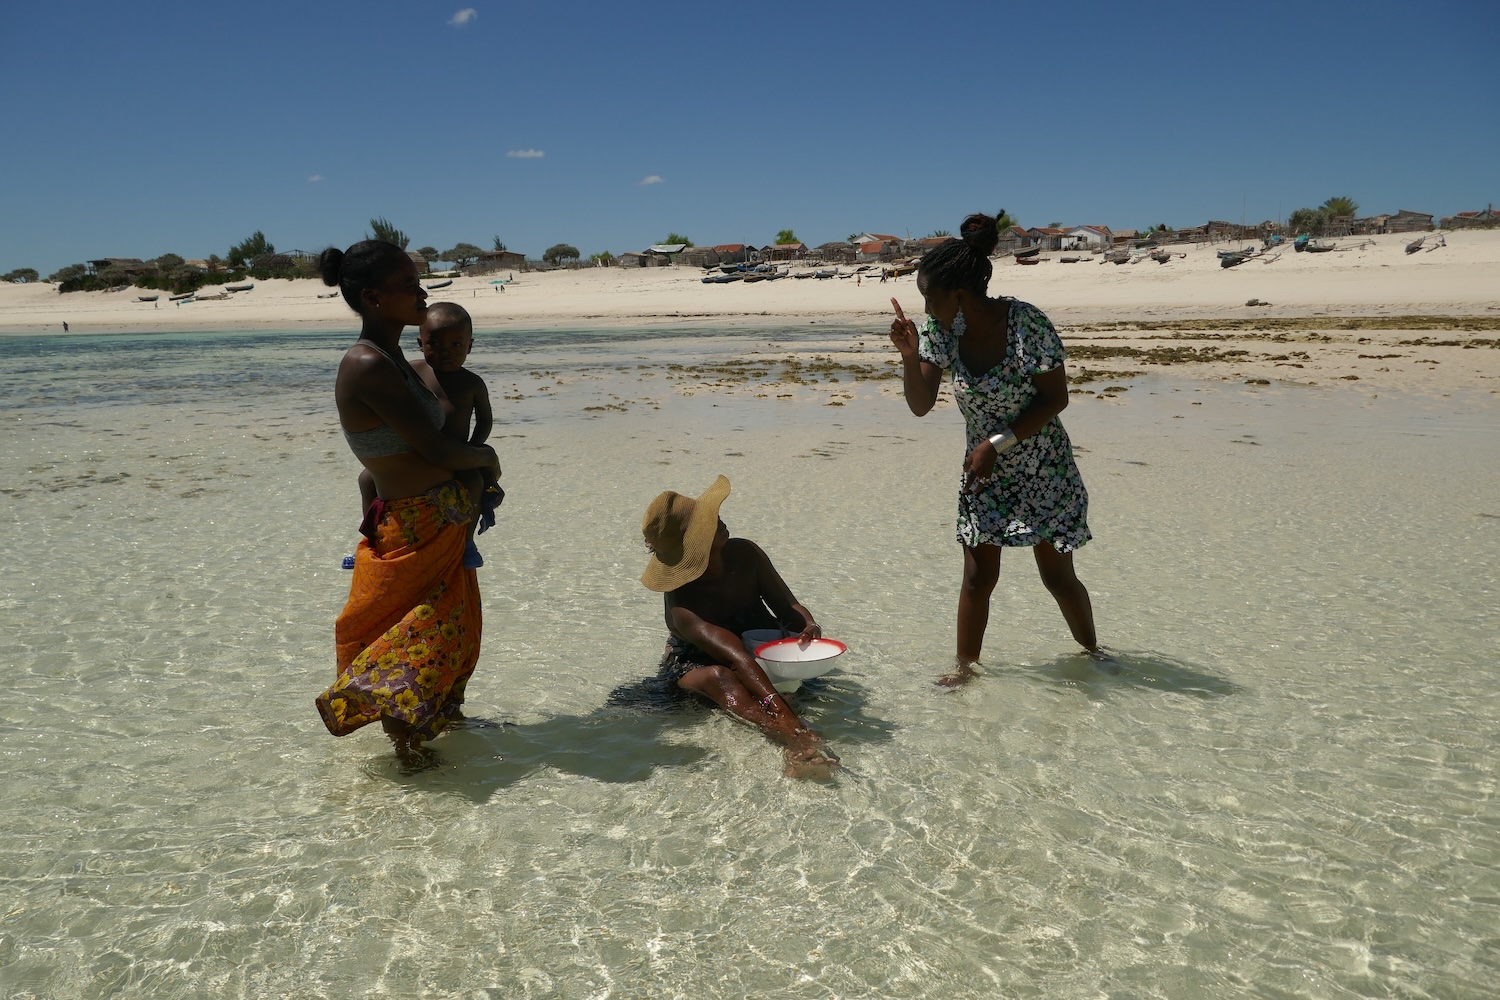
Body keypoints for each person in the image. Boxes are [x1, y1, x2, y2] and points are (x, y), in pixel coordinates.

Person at [888, 212, 1109, 686]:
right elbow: (921, 405)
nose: (925, 308)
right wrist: (909, 356)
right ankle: (965, 673)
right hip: (984, 471)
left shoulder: (1026, 323)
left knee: (1057, 577)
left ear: (961, 294)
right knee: (977, 578)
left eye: (930, 296)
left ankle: (1095, 655)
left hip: (1041, 465)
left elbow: (1056, 399)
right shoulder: (939, 333)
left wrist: (997, 442)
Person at [314, 240, 502, 756]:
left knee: (455, 634)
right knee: (417, 642)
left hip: (439, 520)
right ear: (373, 298)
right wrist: (487, 460)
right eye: (408, 286)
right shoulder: (366, 362)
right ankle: (410, 759)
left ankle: (442, 736)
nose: (421, 292)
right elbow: (437, 448)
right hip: (414, 526)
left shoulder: (394, 355)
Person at [640, 475, 839, 778]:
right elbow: (735, 659)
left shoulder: (746, 554)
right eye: (706, 524)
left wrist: (808, 626)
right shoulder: (682, 604)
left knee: (782, 689)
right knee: (722, 678)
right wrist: (791, 724)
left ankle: (796, 743)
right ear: (694, 547)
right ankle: (793, 741)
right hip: (700, 665)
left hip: (754, 652)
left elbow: (788, 607)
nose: (717, 518)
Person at [355, 301, 501, 569]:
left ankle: (468, 542)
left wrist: (474, 447)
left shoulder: (472, 383)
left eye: (456, 345)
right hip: (416, 450)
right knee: (366, 478)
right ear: (420, 343)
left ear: (470, 345)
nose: (446, 352)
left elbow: (485, 420)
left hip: (455, 453)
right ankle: (370, 539)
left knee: (474, 482)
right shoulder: (413, 371)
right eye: (435, 344)